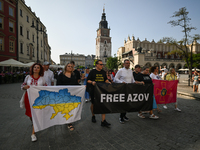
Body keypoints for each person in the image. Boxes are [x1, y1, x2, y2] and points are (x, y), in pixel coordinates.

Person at [21, 63, 47, 142]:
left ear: (40, 69)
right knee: (30, 115)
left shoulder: (42, 78)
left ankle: (33, 134)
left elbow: (46, 87)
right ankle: (33, 122)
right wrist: (24, 87)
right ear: (32, 69)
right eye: (34, 67)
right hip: (28, 98)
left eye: (38, 67)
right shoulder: (28, 77)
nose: (36, 68)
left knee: (36, 115)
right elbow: (22, 85)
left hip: (38, 99)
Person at [87, 60, 111, 127]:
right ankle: (93, 115)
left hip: (102, 90)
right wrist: (92, 82)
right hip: (93, 90)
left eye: (102, 64)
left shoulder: (103, 72)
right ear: (96, 65)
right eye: (100, 64)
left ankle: (103, 121)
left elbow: (105, 79)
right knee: (93, 104)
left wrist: (108, 82)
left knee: (103, 104)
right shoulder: (92, 72)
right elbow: (88, 80)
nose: (102, 66)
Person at [56, 63, 79, 131]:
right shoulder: (61, 75)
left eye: (71, 67)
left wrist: (82, 87)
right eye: (68, 66)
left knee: (70, 108)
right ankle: (67, 121)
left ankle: (69, 122)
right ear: (65, 67)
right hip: (63, 95)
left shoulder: (73, 75)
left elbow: (76, 84)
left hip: (71, 95)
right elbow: (58, 85)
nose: (70, 67)